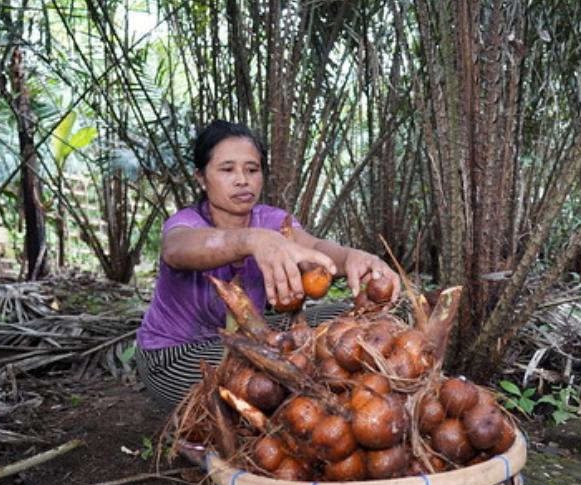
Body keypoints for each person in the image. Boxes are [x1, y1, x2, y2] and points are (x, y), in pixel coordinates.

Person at [135, 120, 399, 405]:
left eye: (252, 169)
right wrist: (252, 241)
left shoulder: (271, 220)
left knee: (364, 321)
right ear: (201, 177)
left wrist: (352, 257)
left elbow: (313, 246)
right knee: (273, 375)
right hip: (178, 354)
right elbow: (176, 249)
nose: (242, 179)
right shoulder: (187, 223)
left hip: (251, 337)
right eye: (227, 169)